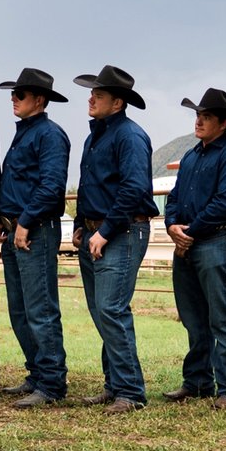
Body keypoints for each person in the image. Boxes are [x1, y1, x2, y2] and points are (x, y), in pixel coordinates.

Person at [68, 66, 158, 413]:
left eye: (99, 95)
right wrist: (80, 223)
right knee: (100, 310)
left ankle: (131, 392)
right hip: (96, 229)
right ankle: (115, 383)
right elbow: (91, 184)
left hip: (121, 230)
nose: (91, 98)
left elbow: (134, 188)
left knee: (111, 307)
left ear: (117, 102)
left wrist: (104, 231)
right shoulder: (95, 137)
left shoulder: (130, 136)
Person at [164, 88, 226, 409]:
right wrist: (172, 225)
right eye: (197, 115)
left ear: (223, 122)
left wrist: (189, 230)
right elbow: (174, 197)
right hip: (190, 242)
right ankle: (198, 381)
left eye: (206, 117)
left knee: (222, 317)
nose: (199, 121)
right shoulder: (192, 155)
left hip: (217, 241)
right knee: (193, 317)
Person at [0, 68, 70, 409]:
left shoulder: (49, 135)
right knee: (21, 308)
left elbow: (51, 185)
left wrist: (24, 221)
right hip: (15, 228)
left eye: (19, 95)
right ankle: (37, 374)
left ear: (38, 100)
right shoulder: (25, 133)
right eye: (13, 94)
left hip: (34, 230)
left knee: (40, 308)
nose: (13, 99)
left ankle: (51, 383)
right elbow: (14, 182)